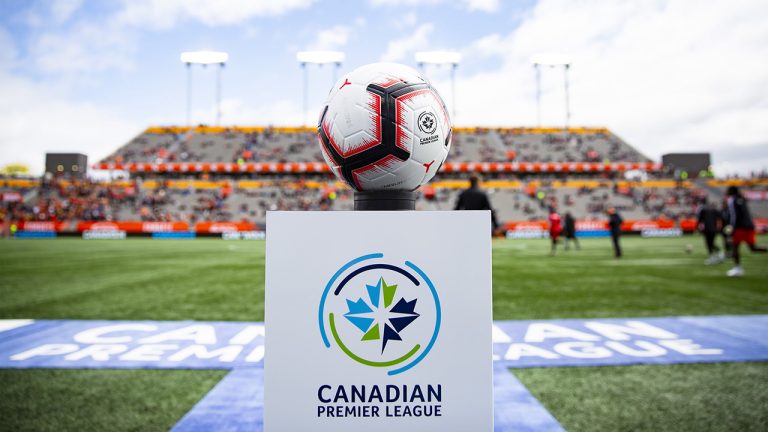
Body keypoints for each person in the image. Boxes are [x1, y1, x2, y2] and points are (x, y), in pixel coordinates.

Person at [724, 186, 766, 277]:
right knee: (753, 248)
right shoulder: (741, 198)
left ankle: (738, 268)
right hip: (749, 226)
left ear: (730, 191)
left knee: (735, 247)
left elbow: (734, 215)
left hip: (740, 227)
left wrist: (732, 229)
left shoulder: (732, 200)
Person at [696, 197, 724, 265]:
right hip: (714, 229)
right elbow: (720, 216)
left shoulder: (702, 209)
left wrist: (698, 228)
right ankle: (720, 254)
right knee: (712, 243)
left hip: (707, 229)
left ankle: (713, 257)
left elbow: (699, 220)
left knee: (709, 244)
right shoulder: (713, 209)